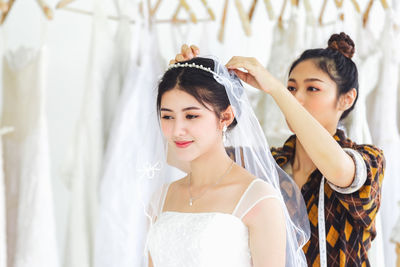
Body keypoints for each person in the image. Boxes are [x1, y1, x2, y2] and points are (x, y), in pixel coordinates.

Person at [172, 32, 385, 266]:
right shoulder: (267, 162)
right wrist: (186, 84)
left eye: (312, 89)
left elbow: (338, 171)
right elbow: (180, 156)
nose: (297, 98)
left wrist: (274, 88)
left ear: (346, 99)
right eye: (291, 88)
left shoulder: (369, 161)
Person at [142, 57, 310, 267]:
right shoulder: (161, 198)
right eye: (167, 117)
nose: (176, 131)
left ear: (225, 117)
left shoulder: (259, 199)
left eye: (191, 116)